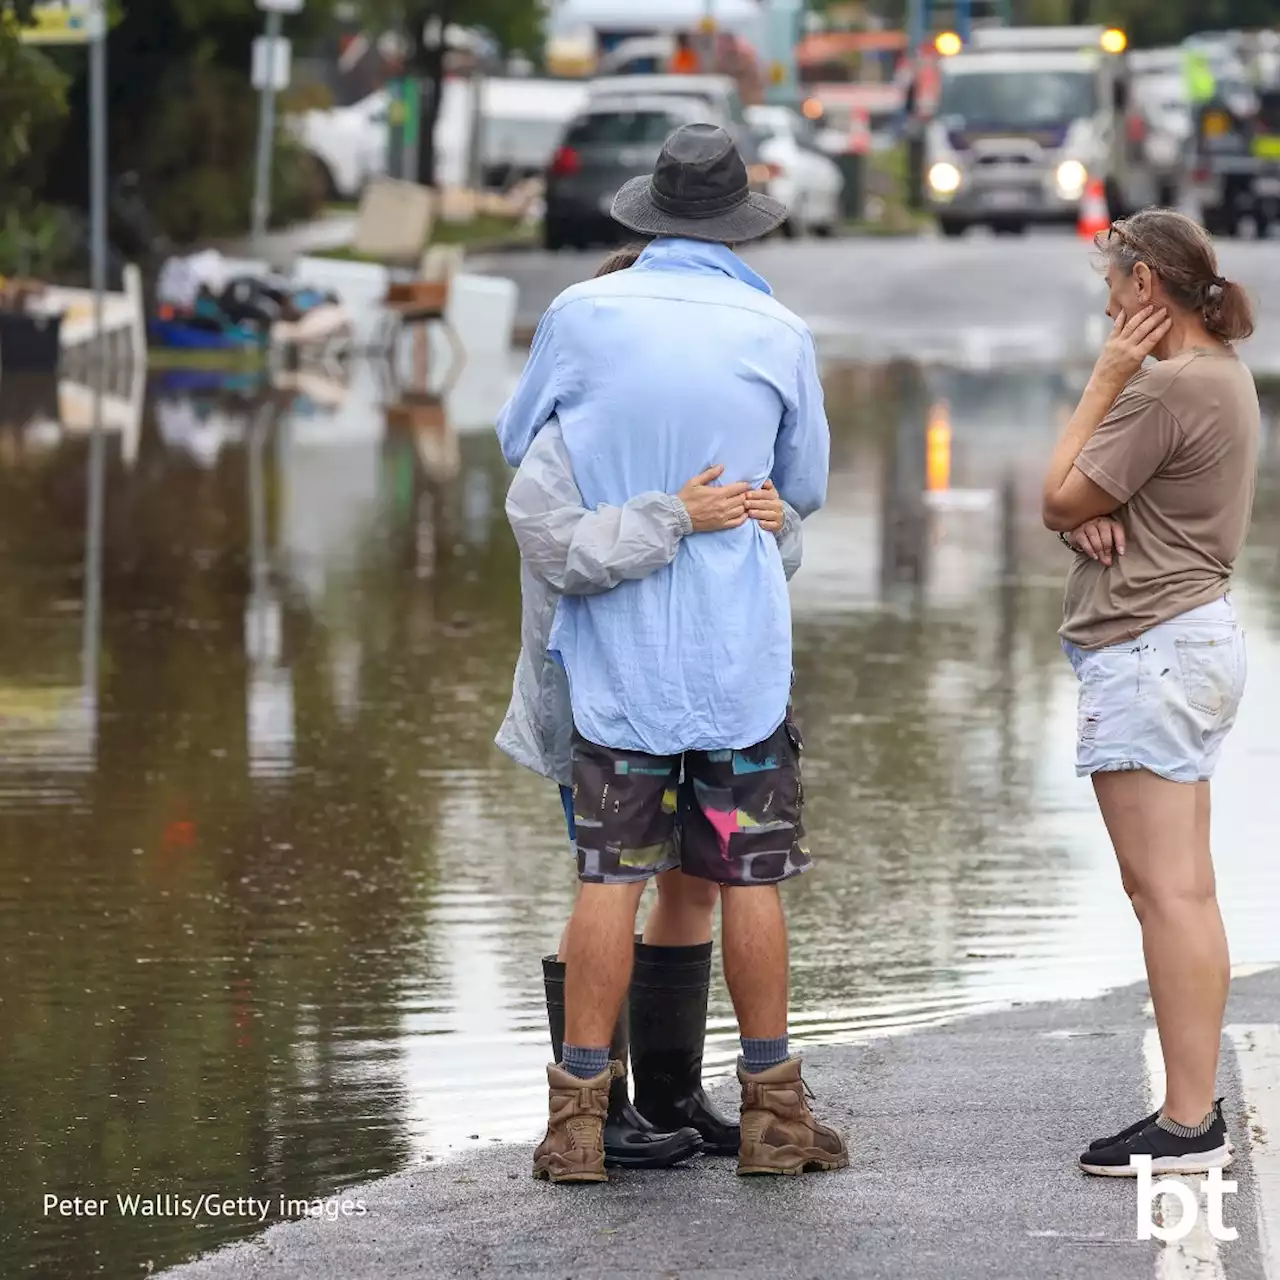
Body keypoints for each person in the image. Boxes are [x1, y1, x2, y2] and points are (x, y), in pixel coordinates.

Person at [497, 122, 845, 1184]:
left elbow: (522, 442)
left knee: (609, 878)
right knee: (747, 875)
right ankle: (774, 1122)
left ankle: (576, 1127)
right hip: (738, 668)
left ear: (648, 214)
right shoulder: (775, 328)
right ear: (742, 219)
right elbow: (805, 487)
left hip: (617, 668)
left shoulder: (577, 313)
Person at [1041, 208, 1259, 1177]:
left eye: (1108, 283)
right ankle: (1190, 1107)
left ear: (1144, 288)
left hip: (1149, 650)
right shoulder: (1214, 375)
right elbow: (1087, 503)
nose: (1102, 300)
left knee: (1166, 893)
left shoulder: (1166, 383)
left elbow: (1056, 493)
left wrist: (1101, 380)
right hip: (1183, 642)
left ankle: (1185, 1123)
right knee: (1178, 889)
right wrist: (1092, 508)